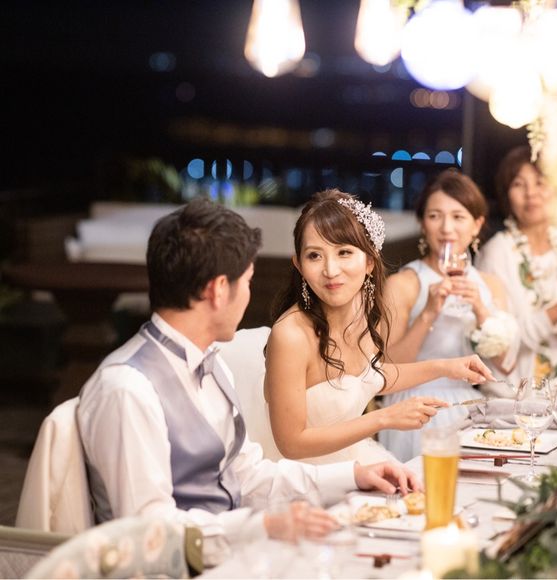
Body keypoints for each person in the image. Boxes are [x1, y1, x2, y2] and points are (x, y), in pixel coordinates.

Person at [77, 197, 424, 567]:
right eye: (247, 282)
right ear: (219, 290)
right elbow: (147, 532)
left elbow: (247, 475)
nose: (249, 295)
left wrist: (354, 475)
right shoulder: (128, 389)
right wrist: (261, 528)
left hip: (229, 553)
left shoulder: (211, 366)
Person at [264, 188, 496, 466]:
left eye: (344, 252)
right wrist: (384, 418)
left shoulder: (358, 314)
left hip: (351, 462)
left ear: (369, 262)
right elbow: (291, 444)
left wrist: (447, 367)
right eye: (315, 256)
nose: (330, 270)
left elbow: (371, 376)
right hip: (305, 475)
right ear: (299, 265)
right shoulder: (290, 335)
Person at [380, 170, 519, 461]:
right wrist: (428, 313)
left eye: (458, 217)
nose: (446, 228)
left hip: (469, 409)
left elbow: (506, 365)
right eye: (435, 216)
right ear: (422, 223)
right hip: (414, 407)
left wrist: (481, 310)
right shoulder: (403, 284)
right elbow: (387, 369)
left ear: (477, 224)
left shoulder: (490, 285)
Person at [476, 145, 557, 383]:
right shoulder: (496, 252)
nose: (531, 193)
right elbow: (495, 344)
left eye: (539, 182)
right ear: (506, 195)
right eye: (518, 184)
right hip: (514, 392)